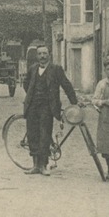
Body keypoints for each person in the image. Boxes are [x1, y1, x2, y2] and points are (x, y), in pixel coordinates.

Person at [22, 45, 78, 176]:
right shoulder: (33, 69)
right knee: (32, 134)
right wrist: (32, 96)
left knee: (44, 135)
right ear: (37, 56)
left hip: (47, 107)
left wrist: (74, 103)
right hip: (32, 106)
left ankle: (43, 166)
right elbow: (26, 84)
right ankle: (35, 165)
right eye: (40, 54)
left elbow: (66, 85)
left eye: (45, 54)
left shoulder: (56, 69)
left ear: (49, 55)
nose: (42, 56)